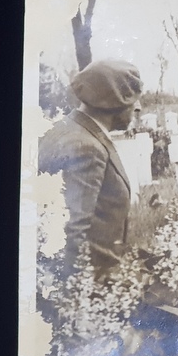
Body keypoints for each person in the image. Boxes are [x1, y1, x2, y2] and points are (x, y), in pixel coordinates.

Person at [38, 59, 143, 279]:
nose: (138, 107)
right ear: (113, 101)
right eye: (132, 98)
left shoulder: (66, 129)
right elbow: (73, 231)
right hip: (92, 289)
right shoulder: (87, 147)